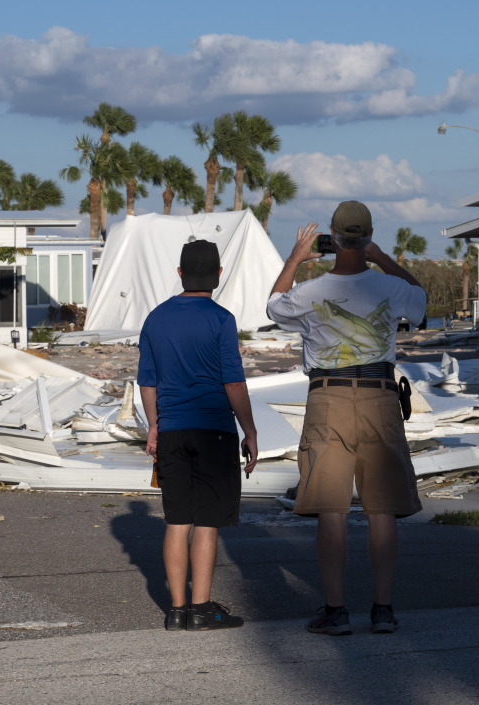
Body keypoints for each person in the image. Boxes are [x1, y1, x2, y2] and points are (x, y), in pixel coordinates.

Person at [266, 201, 426, 636]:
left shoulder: (311, 292)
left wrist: (296, 258)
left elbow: (274, 306)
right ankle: (383, 609)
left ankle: (336, 611)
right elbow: (421, 301)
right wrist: (382, 259)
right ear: (368, 235)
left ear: (333, 238)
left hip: (328, 396)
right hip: (379, 396)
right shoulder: (389, 286)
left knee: (332, 509)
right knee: (382, 509)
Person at [138, 238, 258, 632]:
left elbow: (147, 382)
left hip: (172, 431)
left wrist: (154, 426)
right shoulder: (221, 319)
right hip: (213, 432)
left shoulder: (155, 318)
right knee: (206, 522)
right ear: (219, 275)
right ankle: (202, 609)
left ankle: (175, 611)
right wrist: (250, 430)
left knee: (176, 521)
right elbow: (233, 382)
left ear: (180, 274)